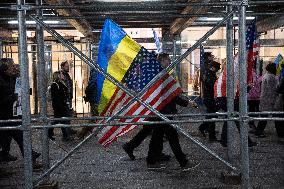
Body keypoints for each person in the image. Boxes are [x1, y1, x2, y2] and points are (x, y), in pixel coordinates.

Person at [146, 53, 198, 170]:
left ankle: (151, 160)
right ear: (163, 60)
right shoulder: (161, 76)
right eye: (168, 59)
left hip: (160, 110)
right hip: (165, 111)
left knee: (157, 136)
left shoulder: (159, 74)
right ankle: (183, 162)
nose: (169, 62)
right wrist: (187, 103)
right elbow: (171, 96)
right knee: (173, 137)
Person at [0, 58, 40, 162]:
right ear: (5, 69)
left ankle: (6, 154)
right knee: (16, 136)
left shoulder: (12, 77)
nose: (14, 67)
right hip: (4, 115)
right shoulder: (2, 80)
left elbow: (21, 90)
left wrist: (27, 90)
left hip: (13, 113)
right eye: (11, 66)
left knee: (12, 137)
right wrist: (14, 96)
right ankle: (29, 156)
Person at [255, 63, 281, 137]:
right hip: (271, 100)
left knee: (264, 117)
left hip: (264, 98)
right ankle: (279, 132)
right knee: (277, 116)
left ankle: (258, 132)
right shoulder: (272, 77)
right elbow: (274, 89)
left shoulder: (265, 76)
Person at [198, 52, 220, 142]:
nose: (217, 71)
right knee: (212, 116)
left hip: (209, 97)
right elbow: (210, 86)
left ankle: (207, 132)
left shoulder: (208, 71)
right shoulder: (208, 73)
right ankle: (207, 132)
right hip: (209, 97)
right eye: (217, 69)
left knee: (211, 116)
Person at [48, 71, 72, 141]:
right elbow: (56, 98)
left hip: (63, 105)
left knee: (61, 121)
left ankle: (65, 136)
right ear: (58, 76)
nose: (63, 75)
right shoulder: (54, 85)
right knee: (58, 120)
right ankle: (49, 132)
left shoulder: (62, 83)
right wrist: (60, 107)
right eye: (61, 74)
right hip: (59, 106)